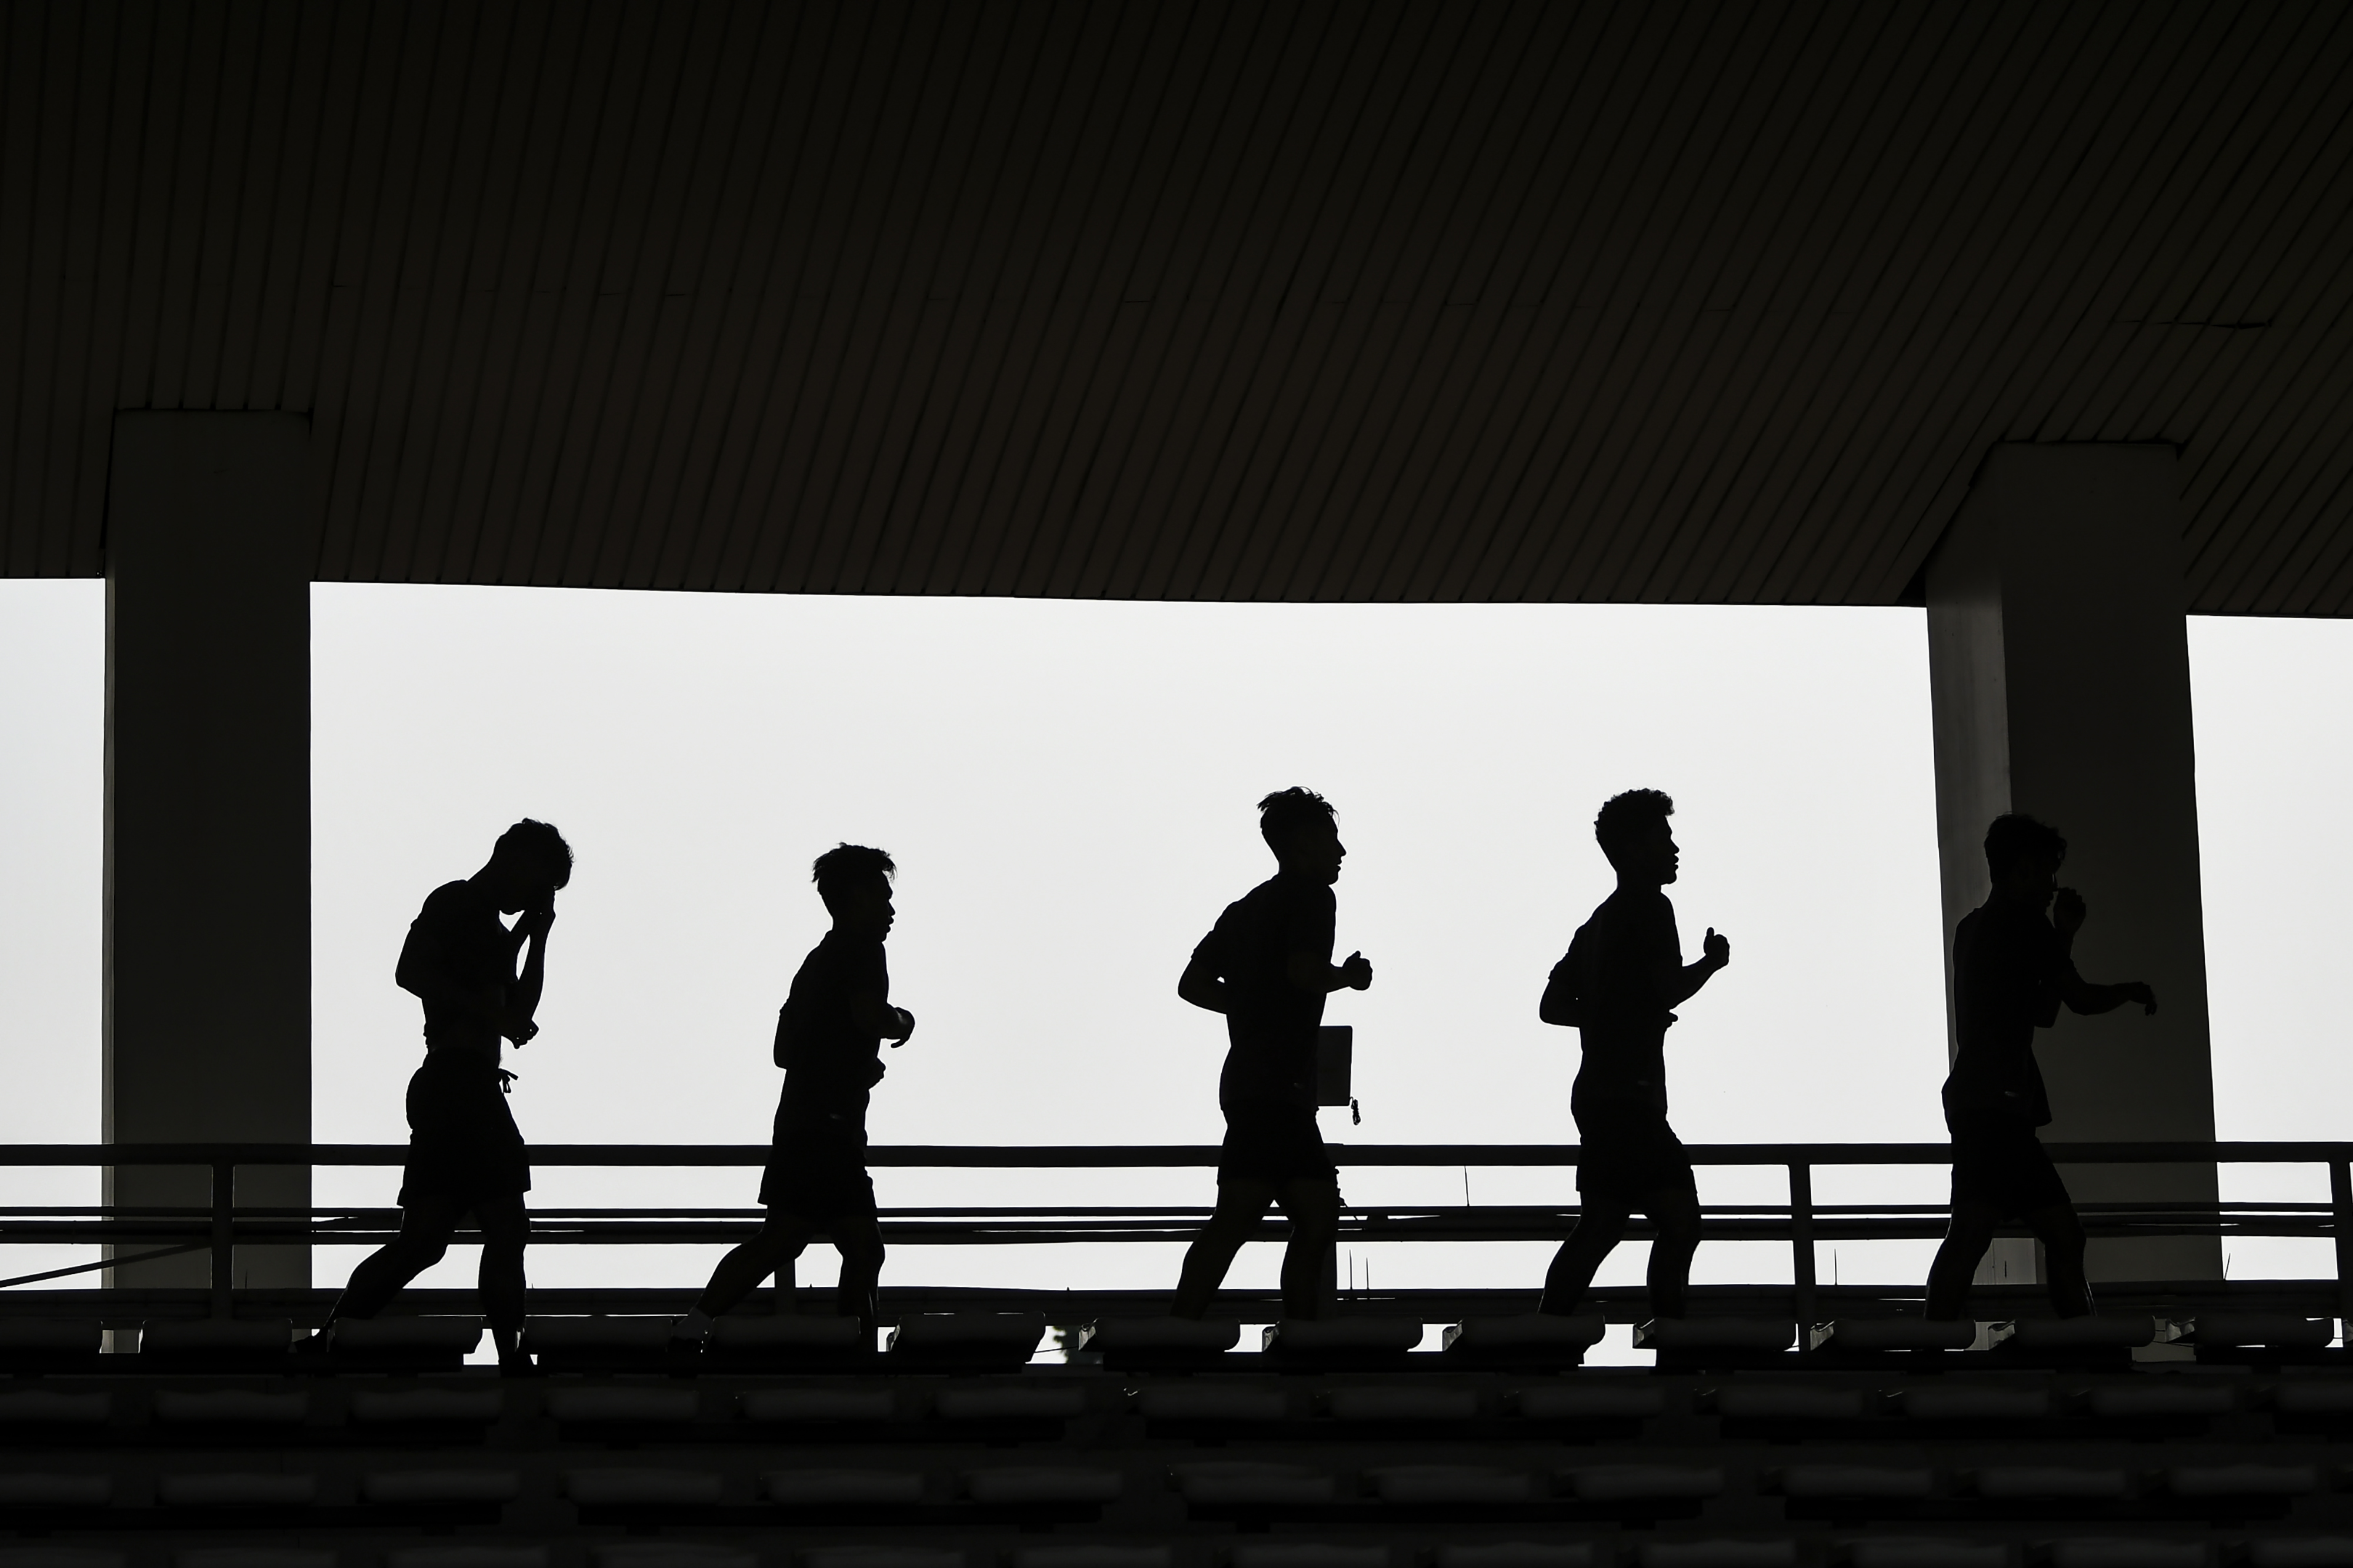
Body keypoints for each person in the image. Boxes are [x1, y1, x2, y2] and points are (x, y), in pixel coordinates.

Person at [315, 819, 572, 1371]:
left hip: (465, 1082)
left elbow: (518, 1016)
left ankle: (330, 1338)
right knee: (501, 1227)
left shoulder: (496, 932)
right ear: (512, 859)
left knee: (428, 1239)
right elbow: (411, 972)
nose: (536, 895)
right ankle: (509, 1359)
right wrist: (497, 1005)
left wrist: (536, 935)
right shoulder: (456, 902)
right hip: (458, 1082)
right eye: (538, 882)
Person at [671, 844, 915, 1346]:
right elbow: (871, 1016)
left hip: (806, 1123)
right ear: (854, 898)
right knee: (850, 1248)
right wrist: (902, 1022)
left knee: (794, 1240)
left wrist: (845, 1060)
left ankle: (695, 1326)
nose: (891, 911)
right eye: (882, 898)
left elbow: (785, 1050)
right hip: (828, 1126)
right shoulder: (864, 950)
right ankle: (855, 1354)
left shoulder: (818, 962)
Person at [1924, 813, 2158, 1321]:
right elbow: (2073, 1002)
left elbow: (2042, 1010)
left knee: (2030, 1233)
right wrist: (2125, 989)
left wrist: (2061, 939)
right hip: (1998, 1106)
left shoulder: (1972, 929)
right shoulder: (2026, 925)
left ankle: (1936, 1348)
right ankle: (1934, 1350)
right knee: (1989, 1233)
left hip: (1982, 1103)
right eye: (2048, 872)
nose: (2054, 885)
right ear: (2025, 869)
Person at [1171, 788, 1372, 1322]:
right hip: (1280, 1089)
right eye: (1331, 839)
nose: (1341, 851)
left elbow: (1191, 985)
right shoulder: (1312, 898)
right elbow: (1304, 973)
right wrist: (1347, 979)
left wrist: (1252, 1009)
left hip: (1249, 1085)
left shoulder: (1243, 909)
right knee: (1300, 1215)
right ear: (1305, 841)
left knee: (1278, 1213)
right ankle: (1297, 1336)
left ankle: (1187, 1329)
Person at [1535, 789, 1728, 1322]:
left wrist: (1607, 1014)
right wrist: (1710, 966)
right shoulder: (1652, 909)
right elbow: (1667, 988)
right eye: (1662, 837)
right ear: (1633, 848)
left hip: (1599, 1096)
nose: (1673, 848)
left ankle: (1546, 1334)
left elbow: (1552, 1007)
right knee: (1677, 1221)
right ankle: (1669, 1343)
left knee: (1603, 1224)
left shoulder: (1594, 925)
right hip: (1631, 1099)